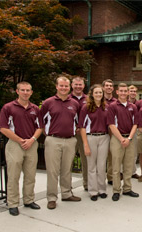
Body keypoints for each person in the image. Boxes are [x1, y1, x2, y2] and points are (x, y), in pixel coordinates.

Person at [0, 82, 43, 216]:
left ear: (31, 92)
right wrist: (20, 140)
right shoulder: (8, 108)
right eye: (22, 90)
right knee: (13, 176)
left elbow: (40, 127)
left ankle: (29, 200)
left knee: (30, 175)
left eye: (28, 90)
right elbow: (3, 128)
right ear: (17, 91)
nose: (25, 92)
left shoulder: (35, 108)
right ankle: (12, 203)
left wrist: (32, 140)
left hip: (31, 144)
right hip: (15, 144)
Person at [40, 76, 82, 210]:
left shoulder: (75, 103)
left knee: (67, 169)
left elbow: (78, 121)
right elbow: (41, 121)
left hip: (70, 140)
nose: (64, 88)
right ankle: (52, 198)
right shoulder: (48, 103)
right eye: (61, 86)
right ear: (56, 87)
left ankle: (66, 193)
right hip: (53, 140)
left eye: (66, 86)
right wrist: (49, 134)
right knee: (52, 171)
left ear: (69, 87)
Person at [108, 83, 139, 201]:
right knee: (116, 167)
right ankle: (116, 190)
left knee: (128, 166)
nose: (123, 93)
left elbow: (135, 124)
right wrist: (121, 139)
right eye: (121, 91)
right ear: (117, 92)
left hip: (130, 139)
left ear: (128, 92)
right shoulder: (112, 106)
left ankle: (127, 189)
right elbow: (111, 124)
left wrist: (129, 139)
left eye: (125, 91)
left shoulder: (133, 107)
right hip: (117, 139)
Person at [79, 84, 110, 201]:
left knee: (102, 166)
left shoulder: (106, 107)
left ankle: (102, 189)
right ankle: (93, 191)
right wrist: (85, 145)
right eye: (96, 92)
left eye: (100, 93)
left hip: (104, 137)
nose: (98, 95)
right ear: (92, 94)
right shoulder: (85, 108)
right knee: (91, 166)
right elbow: (82, 127)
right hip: (91, 137)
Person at [70, 76, 88, 191]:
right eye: (76, 84)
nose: (78, 86)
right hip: (70, 134)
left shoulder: (89, 99)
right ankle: (67, 186)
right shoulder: (66, 98)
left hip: (85, 134)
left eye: (80, 84)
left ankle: (87, 184)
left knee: (86, 159)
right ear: (72, 85)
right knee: (68, 160)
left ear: (83, 86)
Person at [102, 79, 117, 185]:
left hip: (112, 132)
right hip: (101, 131)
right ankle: (100, 179)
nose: (109, 87)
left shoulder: (116, 102)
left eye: (111, 86)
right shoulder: (98, 100)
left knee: (112, 156)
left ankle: (110, 177)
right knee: (101, 157)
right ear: (103, 87)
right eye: (107, 85)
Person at [128, 84, 141, 180]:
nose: (133, 93)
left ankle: (132, 172)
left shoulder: (139, 104)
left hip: (135, 129)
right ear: (128, 92)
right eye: (131, 91)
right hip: (123, 129)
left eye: (134, 91)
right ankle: (121, 172)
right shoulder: (121, 102)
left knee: (134, 152)